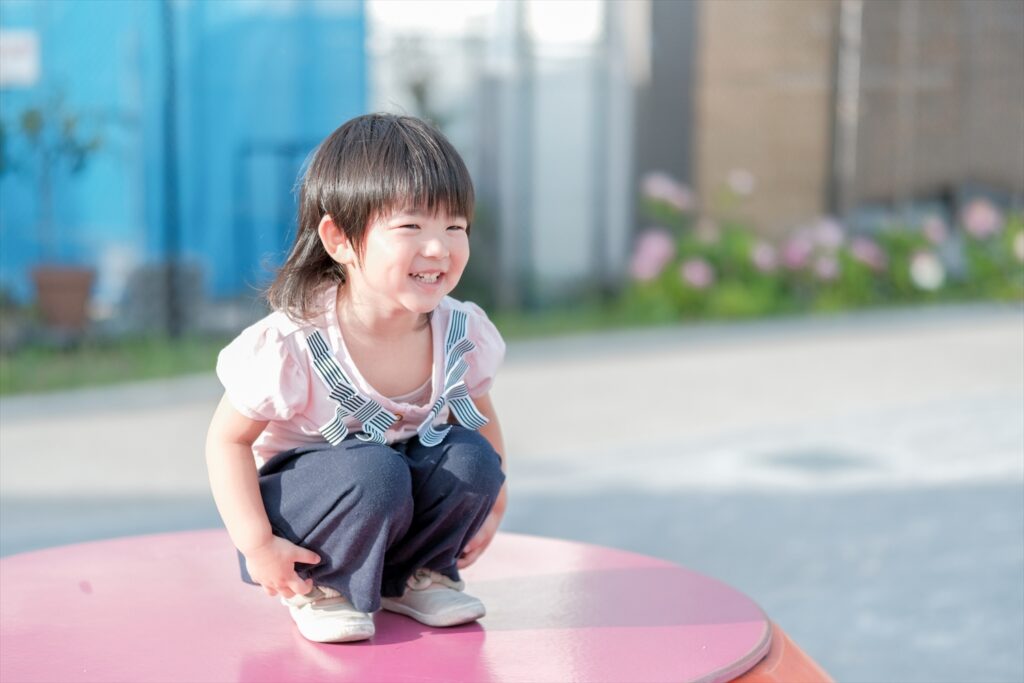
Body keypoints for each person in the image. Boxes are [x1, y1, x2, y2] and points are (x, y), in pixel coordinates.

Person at [205, 114, 508, 643]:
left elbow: (480, 419)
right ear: (340, 239)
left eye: (454, 227)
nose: (438, 248)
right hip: (308, 510)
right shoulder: (296, 343)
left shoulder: (459, 331)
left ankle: (412, 576)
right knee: (376, 471)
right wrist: (257, 545)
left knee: (472, 460)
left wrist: (493, 502)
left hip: (387, 496)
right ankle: (322, 587)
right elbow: (226, 441)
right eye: (411, 227)